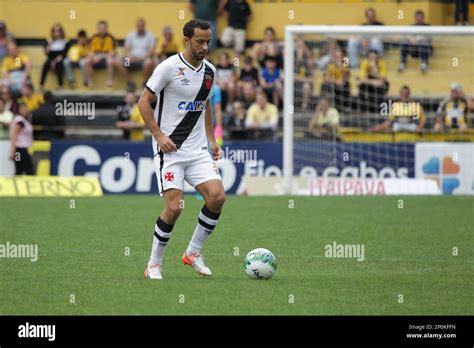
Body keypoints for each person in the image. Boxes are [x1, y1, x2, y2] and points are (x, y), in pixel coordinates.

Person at [138, 19, 225, 280]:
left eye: (208, 41)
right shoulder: (167, 68)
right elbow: (143, 103)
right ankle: (153, 264)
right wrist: (158, 135)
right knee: (175, 208)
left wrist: (212, 140)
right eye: (200, 41)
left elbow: (205, 105)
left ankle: (193, 252)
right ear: (186, 40)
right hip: (171, 150)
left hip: (198, 149)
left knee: (217, 197)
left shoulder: (210, 71)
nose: (205, 46)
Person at [115, 18, 156, 88]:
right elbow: (126, 49)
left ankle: (144, 81)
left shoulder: (150, 35)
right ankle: (130, 81)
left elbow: (151, 50)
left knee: (149, 62)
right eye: (138, 26)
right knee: (117, 62)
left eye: (141, 25)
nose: (140, 27)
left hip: (143, 59)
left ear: (144, 26)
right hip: (131, 59)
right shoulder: (131, 35)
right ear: (136, 26)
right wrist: (129, 57)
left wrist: (142, 57)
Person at [83, 20, 117, 87]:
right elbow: (90, 51)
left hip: (106, 55)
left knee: (110, 61)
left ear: (106, 28)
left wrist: (102, 57)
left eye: (104, 28)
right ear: (98, 29)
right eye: (100, 28)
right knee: (87, 61)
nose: (102, 30)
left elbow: (112, 52)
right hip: (96, 55)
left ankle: (110, 80)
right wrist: (93, 57)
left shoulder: (110, 37)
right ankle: (89, 81)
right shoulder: (94, 37)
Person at [40, 23, 68, 91]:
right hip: (51, 58)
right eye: (55, 31)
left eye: (58, 31)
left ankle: (60, 85)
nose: (57, 33)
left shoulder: (65, 42)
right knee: (45, 64)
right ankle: (41, 85)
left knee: (58, 65)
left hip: (60, 58)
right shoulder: (49, 41)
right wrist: (50, 44)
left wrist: (54, 62)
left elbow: (64, 54)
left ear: (61, 32)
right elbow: (46, 52)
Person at [9, 101, 33, 175]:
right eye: (23, 109)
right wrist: (13, 151)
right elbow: (14, 136)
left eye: (26, 108)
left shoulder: (24, 120)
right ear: (19, 110)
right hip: (20, 151)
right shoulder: (20, 121)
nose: (25, 110)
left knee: (19, 169)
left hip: (21, 150)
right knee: (26, 169)